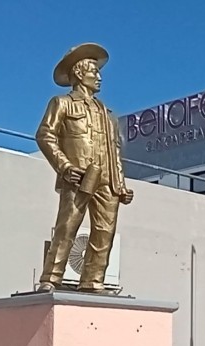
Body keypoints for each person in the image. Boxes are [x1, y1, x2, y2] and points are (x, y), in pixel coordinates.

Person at [35, 43, 134, 294]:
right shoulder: (62, 103)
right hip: (77, 175)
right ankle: (51, 277)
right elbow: (45, 135)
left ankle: (93, 281)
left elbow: (115, 150)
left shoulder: (108, 113)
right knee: (67, 226)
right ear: (79, 74)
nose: (99, 77)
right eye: (94, 72)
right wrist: (64, 166)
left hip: (107, 178)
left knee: (104, 233)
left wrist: (120, 183)